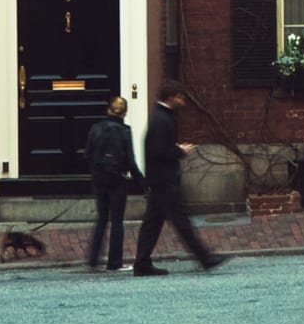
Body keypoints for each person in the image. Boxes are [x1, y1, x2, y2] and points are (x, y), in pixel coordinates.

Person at [134, 84, 223, 273]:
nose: (183, 101)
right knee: (181, 222)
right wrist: (180, 151)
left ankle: (142, 263)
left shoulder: (160, 117)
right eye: (180, 97)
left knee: (152, 224)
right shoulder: (162, 119)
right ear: (171, 97)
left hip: (158, 179)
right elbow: (158, 150)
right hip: (164, 180)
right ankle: (205, 258)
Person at [80, 94, 138, 271]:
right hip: (117, 180)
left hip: (99, 180)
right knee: (117, 221)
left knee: (102, 218)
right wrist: (142, 182)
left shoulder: (96, 128)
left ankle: (93, 259)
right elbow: (130, 160)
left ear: (108, 110)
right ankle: (114, 262)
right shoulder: (124, 131)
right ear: (124, 113)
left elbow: (88, 154)